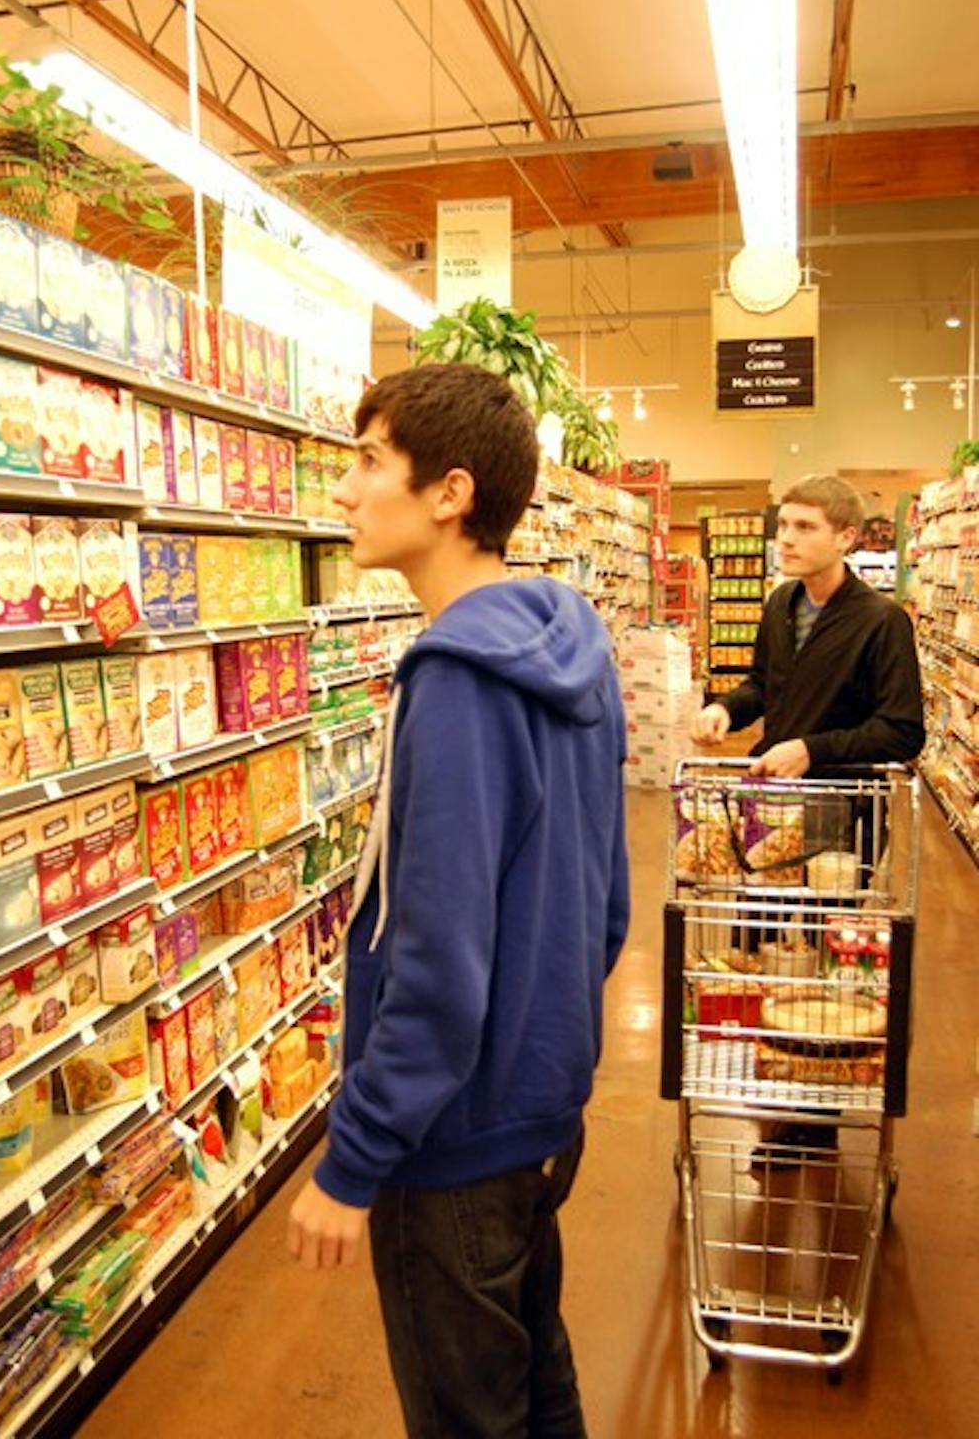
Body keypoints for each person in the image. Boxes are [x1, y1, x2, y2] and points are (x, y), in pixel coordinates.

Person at [287, 362, 629, 1438]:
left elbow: (436, 963)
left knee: (467, 1413)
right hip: (540, 1112)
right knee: (536, 1381)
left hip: (453, 1141)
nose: (343, 489)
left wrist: (354, 1158)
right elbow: (605, 904)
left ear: (451, 492)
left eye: (368, 460)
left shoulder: (453, 684)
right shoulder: (575, 647)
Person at [693, 474, 925, 1164]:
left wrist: (813, 749)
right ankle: (772, 1074)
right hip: (774, 810)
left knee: (826, 960)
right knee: (762, 944)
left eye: (803, 528)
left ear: (846, 538)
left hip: (842, 816)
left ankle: (813, 1114)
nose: (784, 540)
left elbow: (903, 731)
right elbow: (766, 684)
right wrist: (727, 710)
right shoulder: (780, 604)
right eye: (782, 525)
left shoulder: (881, 622)